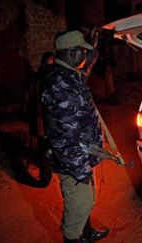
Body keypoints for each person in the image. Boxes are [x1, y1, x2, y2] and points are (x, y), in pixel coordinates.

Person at [41, 29, 109, 242]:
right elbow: (63, 135)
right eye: (82, 51)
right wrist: (80, 168)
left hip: (82, 154)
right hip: (73, 160)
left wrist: (94, 45)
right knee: (79, 205)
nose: (85, 56)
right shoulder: (60, 84)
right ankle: (74, 237)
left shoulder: (69, 72)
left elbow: (88, 62)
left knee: (86, 200)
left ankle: (87, 233)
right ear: (71, 53)